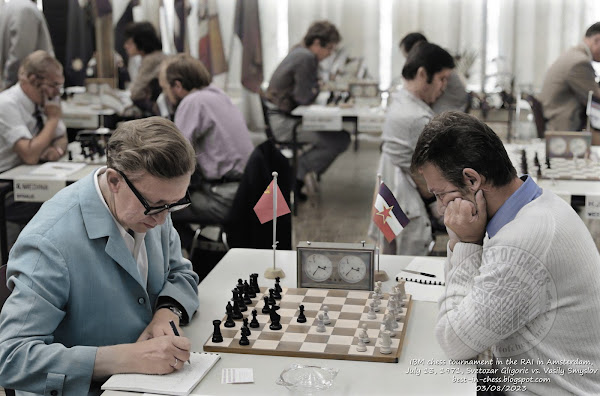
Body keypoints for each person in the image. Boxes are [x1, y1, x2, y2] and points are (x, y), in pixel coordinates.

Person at [0, 117, 200, 395]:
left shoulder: (151, 204)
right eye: (155, 206)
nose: (164, 219)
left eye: (174, 204)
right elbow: (11, 358)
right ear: (114, 180)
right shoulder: (49, 243)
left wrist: (168, 311)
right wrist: (125, 358)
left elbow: (181, 273)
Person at [411, 111, 600, 394]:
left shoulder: (522, 243)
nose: (440, 209)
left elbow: (454, 341)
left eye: (440, 194)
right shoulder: (540, 205)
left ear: (472, 180)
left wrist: (465, 244)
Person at [158, 54, 253, 246]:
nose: (166, 94)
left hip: (223, 198)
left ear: (177, 85)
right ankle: (203, 249)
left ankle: (199, 257)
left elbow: (177, 156)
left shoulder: (192, 102)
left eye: (165, 88)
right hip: (246, 190)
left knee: (155, 208)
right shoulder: (219, 95)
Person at [372, 42, 454, 256]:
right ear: (422, 73)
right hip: (413, 206)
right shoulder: (418, 118)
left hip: (394, 200)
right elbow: (437, 179)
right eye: (442, 78)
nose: (444, 86)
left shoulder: (399, 101)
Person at [265, 20, 350, 198]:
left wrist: (314, 87)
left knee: (338, 136)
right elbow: (304, 97)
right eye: (330, 49)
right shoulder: (306, 57)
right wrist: (317, 87)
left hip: (283, 117)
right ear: (318, 43)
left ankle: (296, 174)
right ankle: (295, 175)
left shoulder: (299, 51)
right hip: (284, 124)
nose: (329, 54)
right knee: (340, 139)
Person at [0, 50, 68, 255]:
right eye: (53, 85)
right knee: (62, 205)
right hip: (7, 185)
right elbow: (29, 154)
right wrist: (53, 120)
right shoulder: (7, 104)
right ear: (31, 79)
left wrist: (55, 150)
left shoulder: (44, 102)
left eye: (59, 85)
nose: (56, 92)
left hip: (31, 176)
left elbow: (63, 137)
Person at [540, 22, 600, 134]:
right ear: (597, 40)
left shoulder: (573, 55)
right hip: (563, 128)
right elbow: (596, 100)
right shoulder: (580, 62)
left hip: (557, 121)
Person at [399, 32, 468, 114]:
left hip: (449, 113)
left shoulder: (438, 69)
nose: (409, 62)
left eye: (408, 57)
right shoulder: (435, 65)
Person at [0, 0, 54, 90]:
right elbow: (20, 57)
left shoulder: (7, 8)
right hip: (26, 91)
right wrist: (9, 87)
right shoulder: (26, 10)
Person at [123, 21, 166, 115]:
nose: (125, 46)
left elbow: (135, 93)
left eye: (129, 43)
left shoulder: (151, 60)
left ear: (140, 42)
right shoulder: (157, 56)